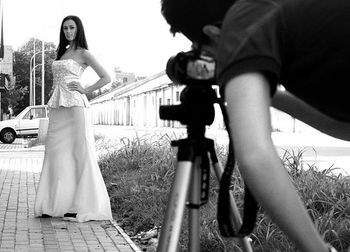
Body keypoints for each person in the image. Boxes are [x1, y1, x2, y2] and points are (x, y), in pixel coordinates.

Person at [160, 0, 350, 251]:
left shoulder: (244, 17)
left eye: (199, 47)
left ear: (214, 33)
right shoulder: (284, 15)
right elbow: (345, 127)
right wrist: (263, 90)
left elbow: (255, 156)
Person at [34, 15, 113, 222]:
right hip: (57, 108)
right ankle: (52, 205)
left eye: (72, 28)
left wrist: (86, 89)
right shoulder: (62, 53)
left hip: (76, 106)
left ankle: (80, 206)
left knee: (79, 153)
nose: (68, 31)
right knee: (55, 152)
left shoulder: (83, 53)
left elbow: (106, 77)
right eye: (65, 28)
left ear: (78, 30)